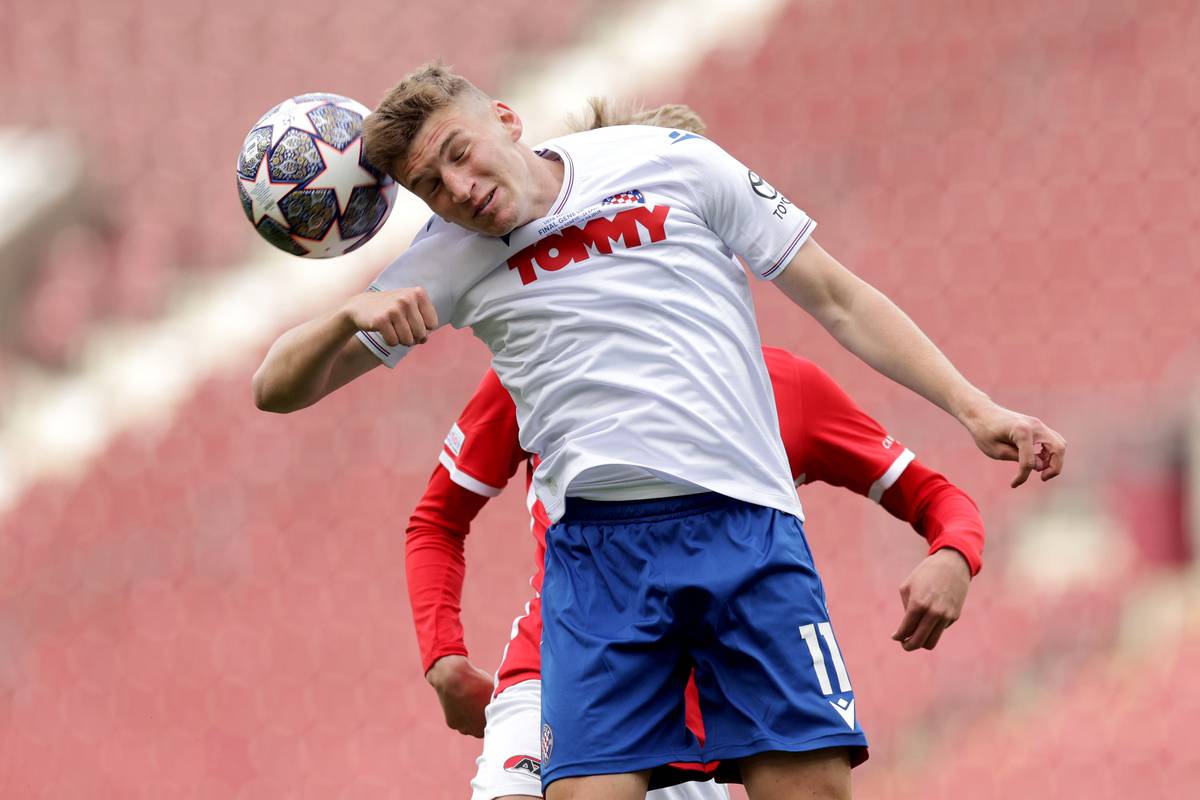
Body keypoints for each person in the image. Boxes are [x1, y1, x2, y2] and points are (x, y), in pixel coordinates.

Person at [252, 62, 1065, 800]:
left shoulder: (672, 160)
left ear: (505, 119)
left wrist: (975, 407)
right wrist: (343, 319)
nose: (459, 187)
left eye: (459, 153)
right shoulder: (447, 259)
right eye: (431, 184)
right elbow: (275, 391)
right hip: (598, 563)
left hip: (745, 531)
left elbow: (839, 298)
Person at [411, 348, 985, 800]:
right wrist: (443, 656)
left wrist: (954, 552)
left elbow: (934, 495)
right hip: (559, 668)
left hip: (704, 708)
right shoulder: (543, 361)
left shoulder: (783, 384)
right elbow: (437, 518)